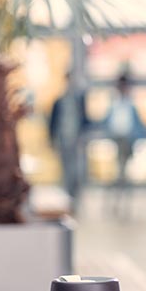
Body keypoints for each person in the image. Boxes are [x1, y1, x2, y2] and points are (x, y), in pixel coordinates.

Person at [102, 72, 146, 216]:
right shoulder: (114, 104)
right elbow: (107, 122)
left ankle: (119, 201)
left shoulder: (130, 104)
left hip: (127, 141)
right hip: (117, 140)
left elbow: (138, 124)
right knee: (120, 172)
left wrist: (141, 138)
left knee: (122, 172)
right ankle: (117, 201)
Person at [48, 72, 89, 212]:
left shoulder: (79, 100)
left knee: (76, 171)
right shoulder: (59, 101)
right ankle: (67, 199)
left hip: (76, 141)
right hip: (63, 140)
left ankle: (75, 198)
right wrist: (52, 140)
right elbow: (53, 122)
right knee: (66, 170)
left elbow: (85, 120)